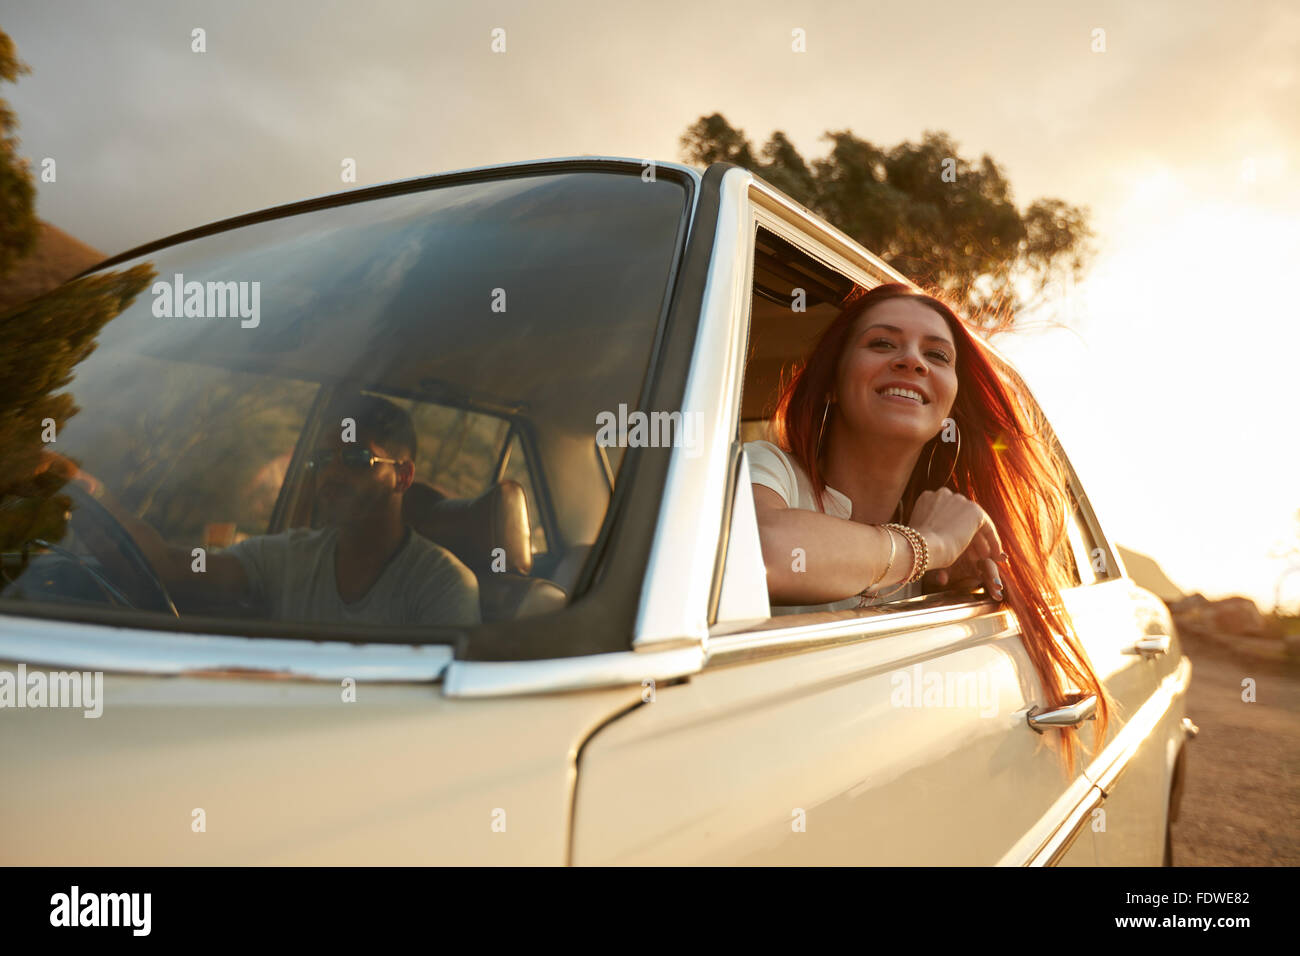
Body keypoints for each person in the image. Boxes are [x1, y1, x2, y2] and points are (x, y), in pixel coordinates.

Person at [748, 282, 1111, 769]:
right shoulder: (768, 469)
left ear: (951, 410)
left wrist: (957, 588)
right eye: (882, 343)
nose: (912, 361)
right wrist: (930, 545)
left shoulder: (961, 540)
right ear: (833, 381)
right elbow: (766, 552)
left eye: (937, 355)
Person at [65, 393, 480, 629]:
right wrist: (91, 492)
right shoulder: (290, 556)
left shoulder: (442, 586)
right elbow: (169, 566)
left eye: (354, 459)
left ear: (403, 477)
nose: (330, 475)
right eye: (321, 461)